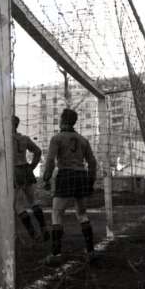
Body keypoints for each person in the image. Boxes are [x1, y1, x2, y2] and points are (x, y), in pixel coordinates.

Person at [42, 108, 97, 266]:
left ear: (62, 120)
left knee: (57, 213)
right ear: (74, 121)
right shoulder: (83, 140)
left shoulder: (57, 138)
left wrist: (46, 178)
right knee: (82, 213)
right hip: (81, 176)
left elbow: (51, 161)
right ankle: (91, 252)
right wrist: (90, 182)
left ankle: (56, 254)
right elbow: (92, 163)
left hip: (66, 175)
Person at [0, 117, 49, 242]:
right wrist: (32, 167)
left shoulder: (4, 140)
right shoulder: (24, 138)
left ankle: (33, 234)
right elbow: (38, 151)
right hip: (25, 169)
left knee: (18, 205)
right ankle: (44, 228)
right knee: (33, 201)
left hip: (14, 171)